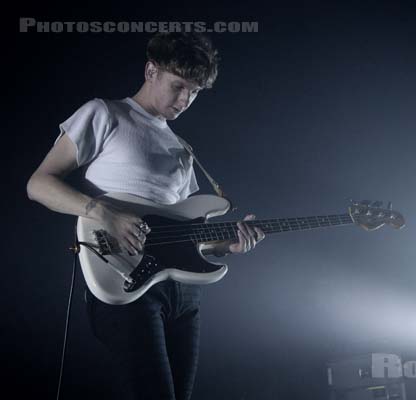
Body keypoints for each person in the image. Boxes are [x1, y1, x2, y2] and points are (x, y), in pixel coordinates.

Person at [26, 32, 264, 400]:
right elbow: (39, 183)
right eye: (178, 85)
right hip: (124, 277)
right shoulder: (105, 113)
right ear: (151, 71)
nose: (185, 100)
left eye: (195, 92)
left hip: (182, 292)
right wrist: (104, 212)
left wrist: (225, 245)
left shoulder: (182, 149)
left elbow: (187, 233)